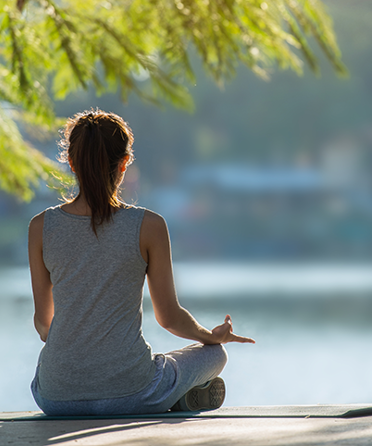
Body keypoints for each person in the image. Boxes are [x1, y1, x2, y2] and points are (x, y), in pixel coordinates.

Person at [28, 109, 255, 416]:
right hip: (133, 392)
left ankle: (170, 397)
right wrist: (211, 337)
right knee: (216, 356)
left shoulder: (41, 227)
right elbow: (169, 318)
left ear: (70, 162)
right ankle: (174, 397)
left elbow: (44, 324)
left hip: (56, 398)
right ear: (125, 163)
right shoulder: (149, 226)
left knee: (47, 365)